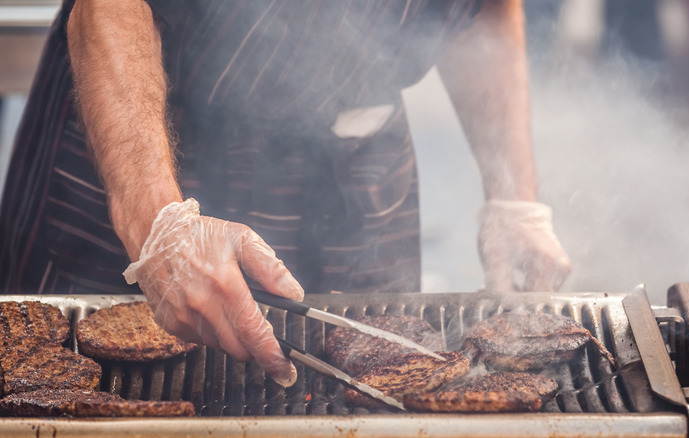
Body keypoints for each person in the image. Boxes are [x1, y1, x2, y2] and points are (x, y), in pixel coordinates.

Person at [0, 0, 571, 386]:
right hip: (154, 140)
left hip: (357, 162)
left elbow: (482, 9)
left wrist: (514, 200)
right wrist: (159, 224)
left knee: (377, 381)